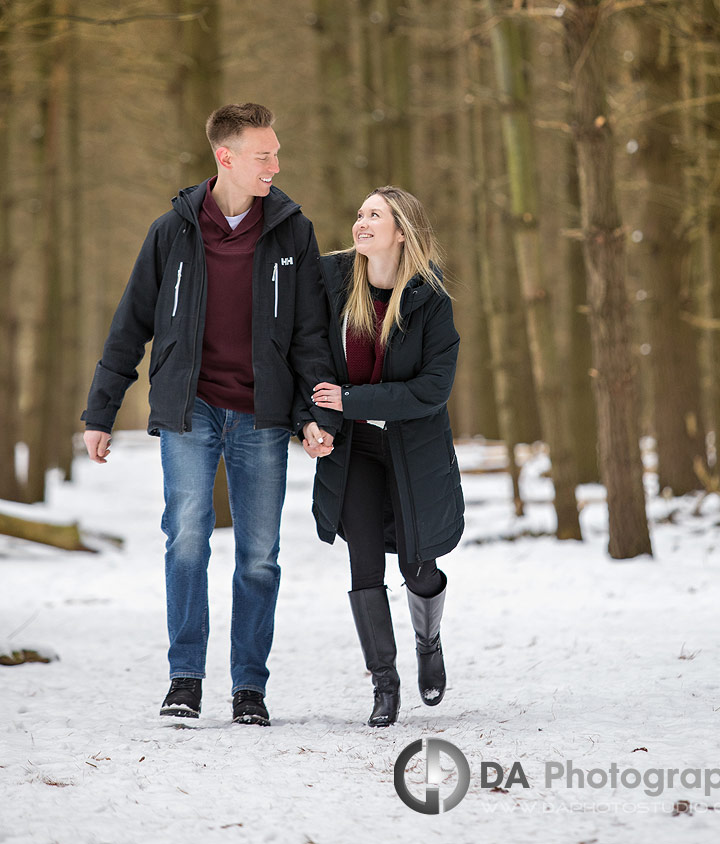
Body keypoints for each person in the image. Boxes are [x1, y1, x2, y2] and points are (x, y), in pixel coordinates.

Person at [82, 103, 336, 726]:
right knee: (188, 542)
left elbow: (309, 333)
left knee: (258, 555)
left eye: (276, 152)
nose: (275, 165)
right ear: (226, 158)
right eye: (263, 155)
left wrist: (313, 413)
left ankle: (249, 687)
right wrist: (100, 411)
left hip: (264, 416)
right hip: (188, 412)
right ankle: (185, 680)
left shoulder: (291, 231)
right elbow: (130, 324)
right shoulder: (171, 231)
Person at [307, 186, 464, 727]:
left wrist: (352, 400)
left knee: (418, 566)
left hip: (413, 449)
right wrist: (314, 424)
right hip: (352, 451)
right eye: (358, 214)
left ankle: (429, 641)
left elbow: (431, 390)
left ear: (402, 232)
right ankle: (384, 683)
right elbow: (309, 359)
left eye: (375, 215)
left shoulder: (431, 300)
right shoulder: (330, 282)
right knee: (364, 562)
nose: (361, 222)